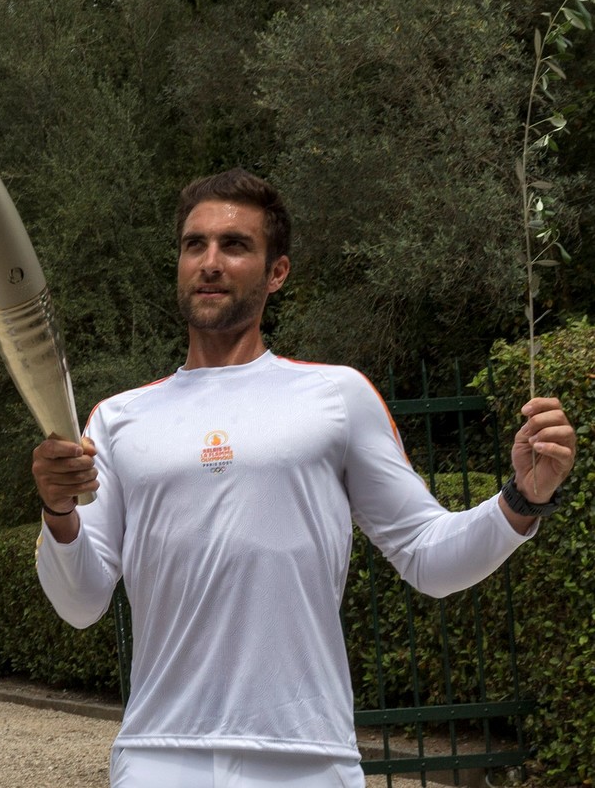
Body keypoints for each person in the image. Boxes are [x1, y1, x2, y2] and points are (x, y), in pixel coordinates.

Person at [32, 168, 577, 787]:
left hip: (308, 759)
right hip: (161, 756)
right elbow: (80, 604)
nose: (210, 262)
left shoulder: (336, 396)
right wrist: (58, 512)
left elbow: (429, 557)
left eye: (235, 245)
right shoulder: (116, 420)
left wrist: (522, 499)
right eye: (195, 244)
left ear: (277, 272)